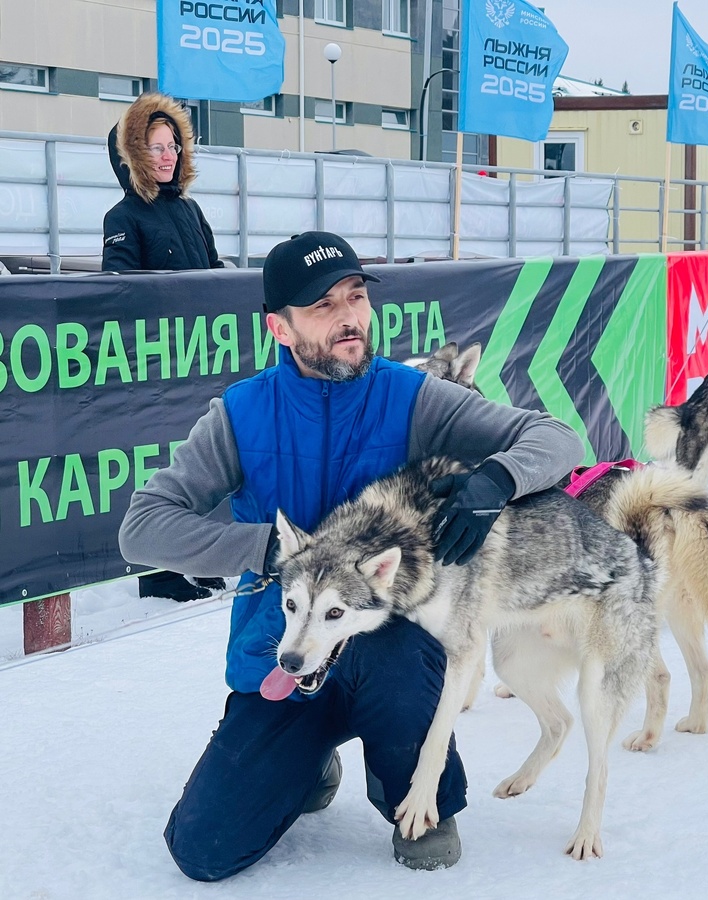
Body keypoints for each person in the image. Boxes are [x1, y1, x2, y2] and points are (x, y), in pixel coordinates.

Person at [118, 231, 584, 879]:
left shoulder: (410, 396)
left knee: (395, 660)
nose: (348, 317)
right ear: (279, 328)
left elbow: (558, 437)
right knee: (203, 850)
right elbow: (142, 528)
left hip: (391, 651)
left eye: (355, 297)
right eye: (322, 306)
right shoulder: (242, 415)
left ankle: (411, 790)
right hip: (282, 653)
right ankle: (310, 756)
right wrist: (266, 552)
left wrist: (495, 480)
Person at [102, 92, 226, 602]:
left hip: (202, 362)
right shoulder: (123, 217)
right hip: (158, 370)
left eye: (172, 144)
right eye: (155, 147)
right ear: (133, 155)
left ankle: (201, 557)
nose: (167, 154)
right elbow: (120, 291)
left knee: (206, 461)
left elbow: (217, 274)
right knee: (164, 469)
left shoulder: (193, 211)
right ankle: (160, 574)